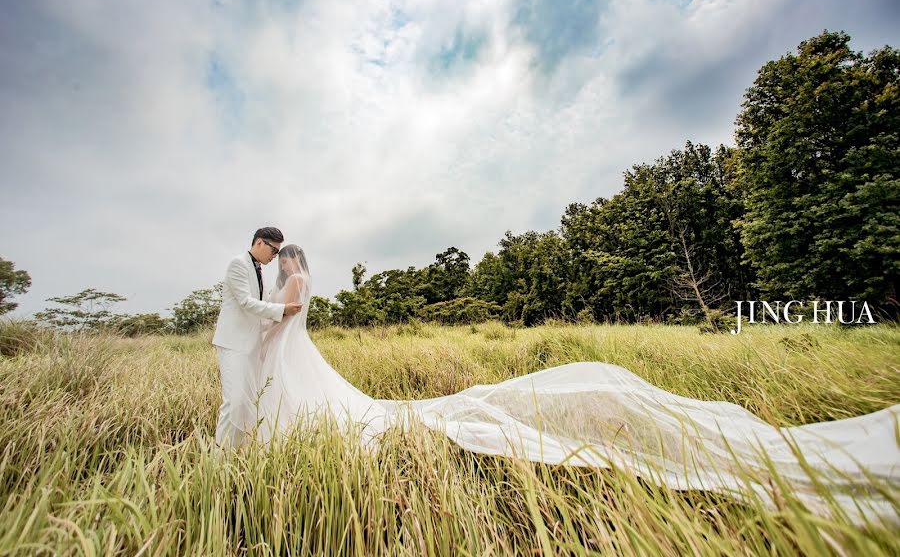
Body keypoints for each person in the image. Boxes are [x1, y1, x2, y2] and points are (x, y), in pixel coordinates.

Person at [254, 245, 900, 526]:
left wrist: (261, 325)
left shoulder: (294, 286)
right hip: (294, 348)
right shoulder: (301, 284)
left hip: (288, 344)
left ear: (293, 263)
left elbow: (285, 317)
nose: (285, 265)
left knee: (363, 411)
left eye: (287, 260)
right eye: (284, 260)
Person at [211, 227, 303, 450]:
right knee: (234, 403)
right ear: (260, 243)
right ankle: (219, 457)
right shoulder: (238, 264)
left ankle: (238, 449)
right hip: (234, 344)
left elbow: (256, 310)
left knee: (246, 402)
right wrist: (281, 309)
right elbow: (245, 302)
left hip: (251, 344)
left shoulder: (258, 269)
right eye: (273, 251)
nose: (275, 257)